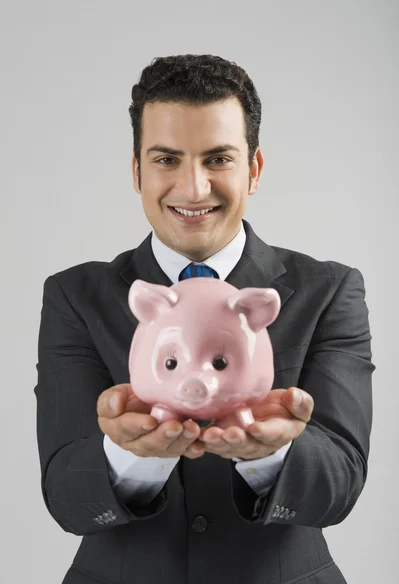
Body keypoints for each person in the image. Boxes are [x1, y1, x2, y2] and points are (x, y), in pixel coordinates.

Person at [35, 54, 375, 584]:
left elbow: (342, 484)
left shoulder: (329, 291)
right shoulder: (75, 296)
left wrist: (272, 454)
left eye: (218, 159)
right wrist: (133, 457)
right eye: (166, 159)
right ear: (136, 170)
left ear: (254, 169)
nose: (193, 189)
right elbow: (65, 497)